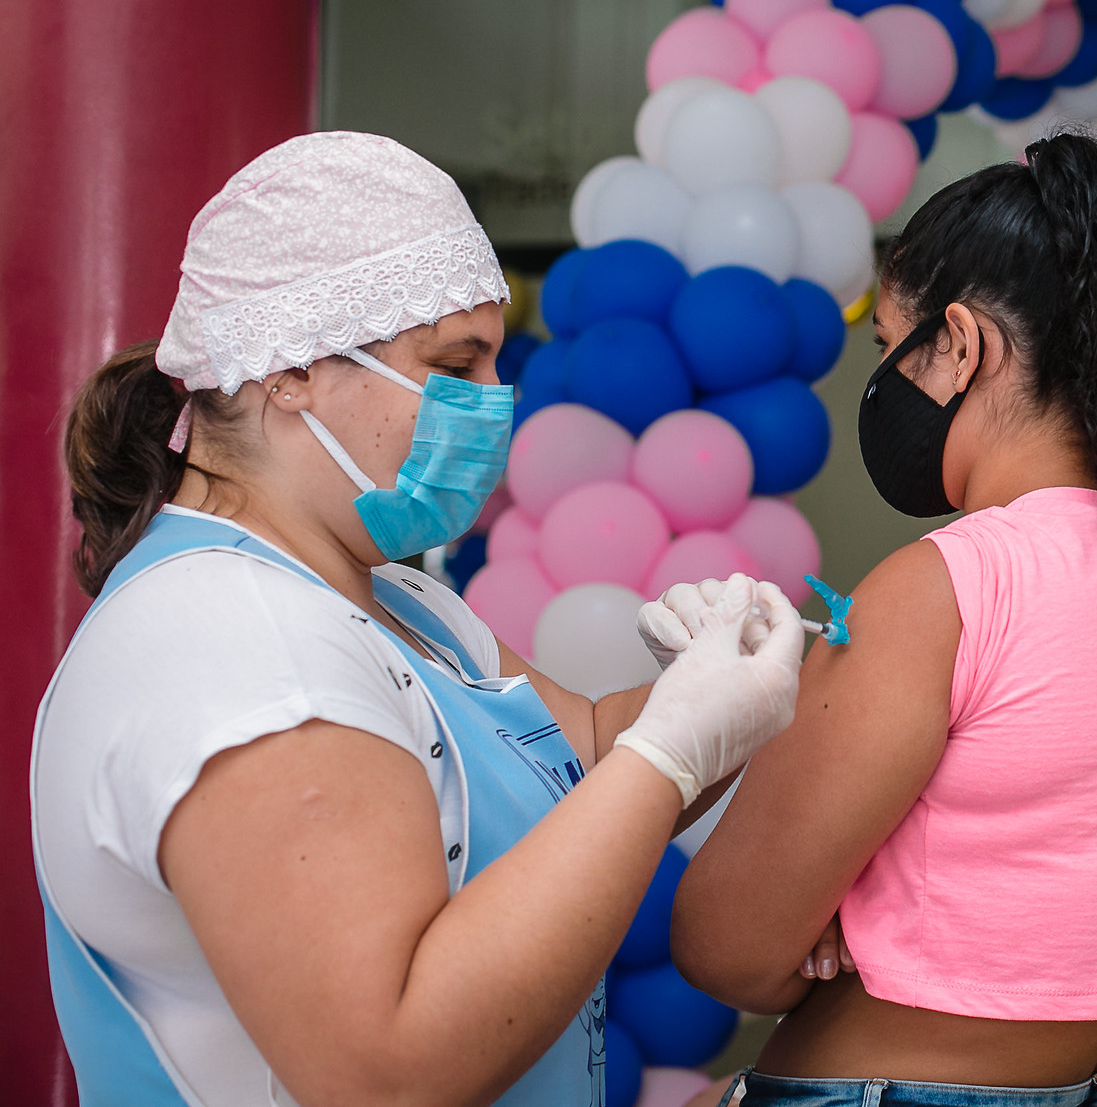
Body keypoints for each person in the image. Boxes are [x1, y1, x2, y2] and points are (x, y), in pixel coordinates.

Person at [30, 132, 804, 1106]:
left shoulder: (392, 600)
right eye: (453, 364)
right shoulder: (237, 648)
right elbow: (388, 1069)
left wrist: (713, 690)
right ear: (291, 372)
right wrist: (672, 753)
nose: (493, 404)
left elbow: (585, 764)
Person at [670, 135, 1097, 1107]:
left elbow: (724, 946)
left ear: (961, 343)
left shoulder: (941, 587)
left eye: (889, 350)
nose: (881, 387)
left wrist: (830, 928)